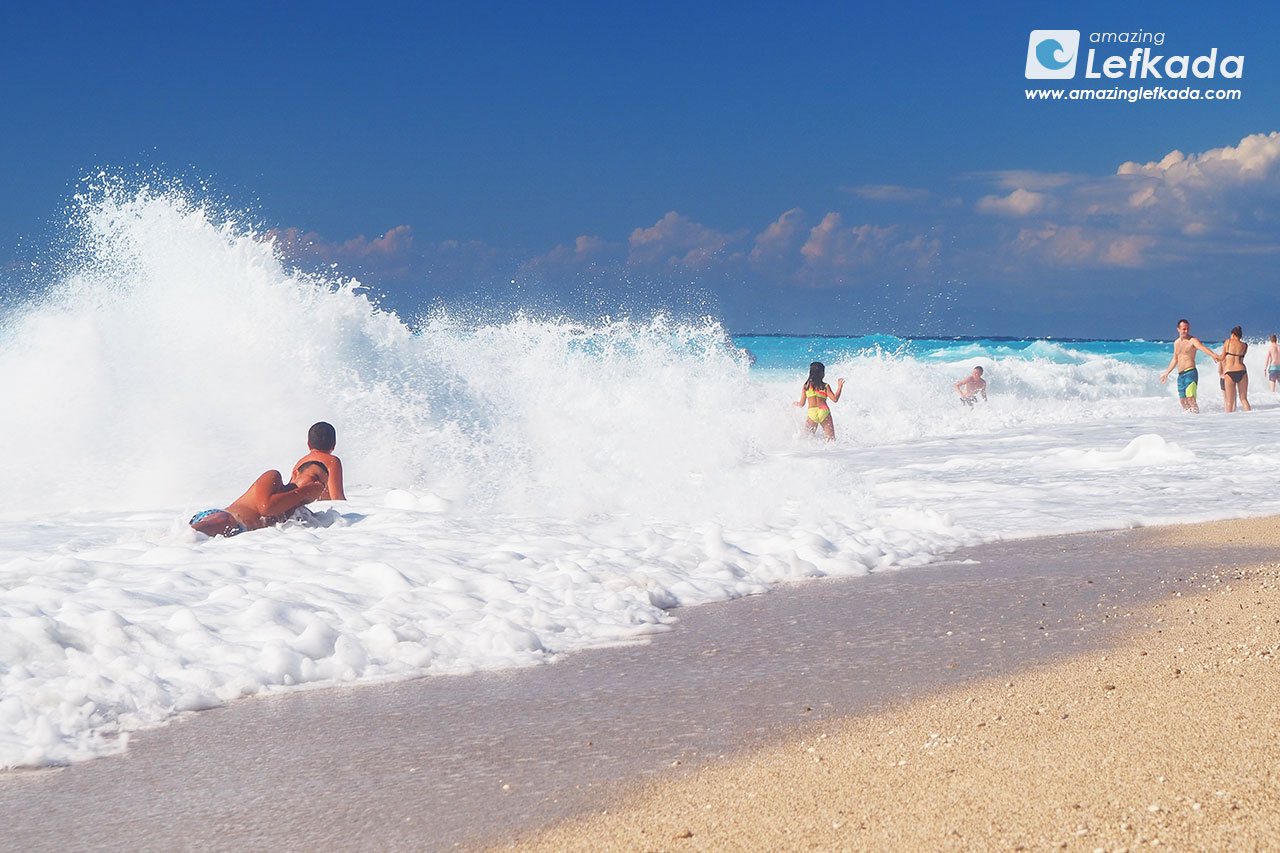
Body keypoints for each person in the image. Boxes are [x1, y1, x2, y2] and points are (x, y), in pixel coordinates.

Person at [189, 462, 329, 537]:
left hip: (239, 534)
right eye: (314, 478)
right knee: (225, 522)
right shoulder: (274, 478)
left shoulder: (299, 513)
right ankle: (174, 539)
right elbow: (266, 507)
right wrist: (306, 491)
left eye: (321, 486)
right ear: (295, 473)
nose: (316, 486)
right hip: (224, 517)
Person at [1158, 319, 1220, 413]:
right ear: (1178, 329)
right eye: (1183, 329)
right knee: (1183, 401)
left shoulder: (1192, 340)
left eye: (1187, 329)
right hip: (1181, 375)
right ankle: (1189, 420)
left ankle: (1197, 417)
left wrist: (1213, 354)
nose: (1186, 331)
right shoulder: (1176, 343)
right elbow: (1175, 359)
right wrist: (1166, 373)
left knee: (1191, 398)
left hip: (1190, 373)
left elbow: (1201, 347)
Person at [291, 421, 346, 501]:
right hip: (320, 509)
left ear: (308, 444)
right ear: (334, 445)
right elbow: (337, 497)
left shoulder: (300, 463)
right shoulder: (332, 461)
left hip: (299, 509)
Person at [793, 361, 844, 440]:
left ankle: (813, 451)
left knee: (807, 439)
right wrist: (840, 387)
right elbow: (835, 399)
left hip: (812, 412)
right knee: (831, 439)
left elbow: (801, 404)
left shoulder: (806, 387)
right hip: (824, 411)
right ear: (822, 374)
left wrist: (795, 404)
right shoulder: (825, 386)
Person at [1219, 326, 1251, 412]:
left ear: (1232, 335)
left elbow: (1222, 357)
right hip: (1242, 371)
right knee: (1243, 399)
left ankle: (1229, 423)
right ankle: (1251, 418)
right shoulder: (1245, 345)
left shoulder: (1228, 342)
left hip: (1230, 372)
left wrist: (1214, 356)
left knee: (1229, 401)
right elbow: (1241, 359)